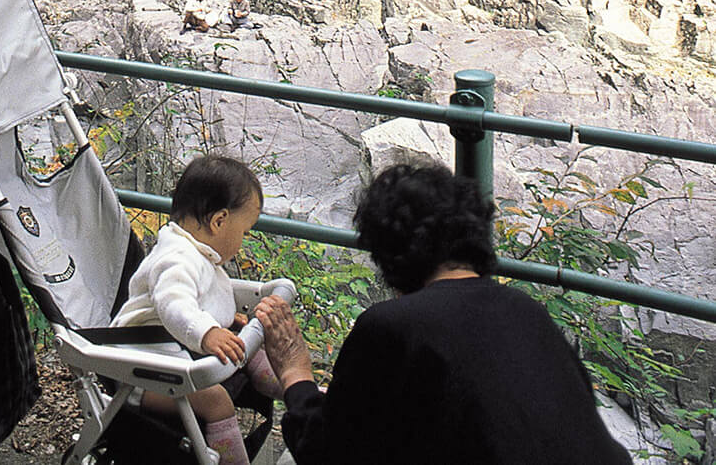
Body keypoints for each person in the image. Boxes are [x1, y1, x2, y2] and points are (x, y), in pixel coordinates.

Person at [256, 162, 633, 465]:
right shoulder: (527, 310)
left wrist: (295, 373)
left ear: (386, 250)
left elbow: (327, 453)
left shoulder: (391, 326)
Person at [112, 155, 280, 465]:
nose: (243, 242)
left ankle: (291, 388)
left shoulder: (198, 251)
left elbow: (201, 297)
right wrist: (207, 331)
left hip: (174, 353)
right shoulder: (176, 257)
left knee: (247, 342)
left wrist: (224, 318)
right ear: (219, 221)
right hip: (142, 371)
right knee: (217, 401)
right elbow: (175, 304)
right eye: (244, 231)